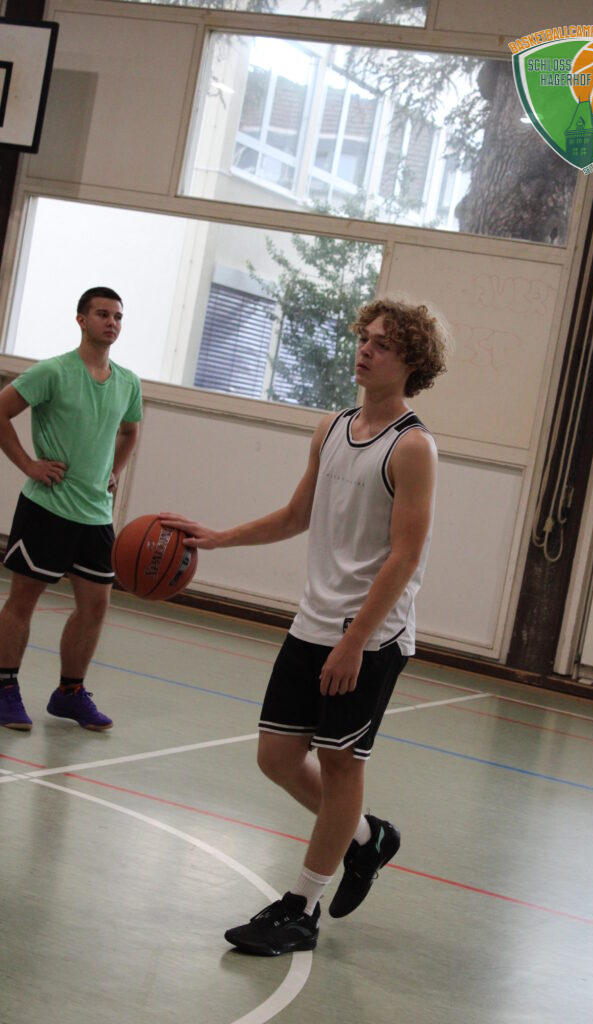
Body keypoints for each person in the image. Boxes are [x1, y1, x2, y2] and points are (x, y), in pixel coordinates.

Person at [163, 297, 448, 955]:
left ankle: (301, 908)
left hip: (369, 635)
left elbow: (405, 555)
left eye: (382, 344)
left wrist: (355, 640)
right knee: (276, 757)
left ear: (410, 362)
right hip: (313, 621)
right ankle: (366, 839)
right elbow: (298, 515)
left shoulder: (412, 447)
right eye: (364, 338)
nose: (365, 349)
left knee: (340, 766)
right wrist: (218, 538)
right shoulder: (331, 428)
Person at [0, 287, 143, 731]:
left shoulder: (128, 382)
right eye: (103, 314)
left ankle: (69, 693)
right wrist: (29, 465)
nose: (112, 323)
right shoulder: (53, 372)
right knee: (24, 600)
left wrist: (113, 470)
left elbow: (130, 432)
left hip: (96, 516)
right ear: (81, 319)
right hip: (46, 508)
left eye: (118, 316)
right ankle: (4, 687)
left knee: (95, 606)